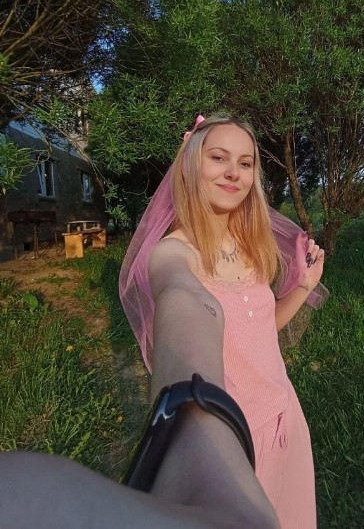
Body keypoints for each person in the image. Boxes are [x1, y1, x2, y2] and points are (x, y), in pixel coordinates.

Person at [119, 113, 329, 528]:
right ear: (191, 164)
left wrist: (303, 286)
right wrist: (189, 405)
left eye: (245, 163)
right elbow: (182, 300)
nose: (234, 172)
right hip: (233, 443)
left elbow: (261, 330)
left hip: (285, 416)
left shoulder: (249, 243)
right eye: (218, 158)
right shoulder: (173, 254)